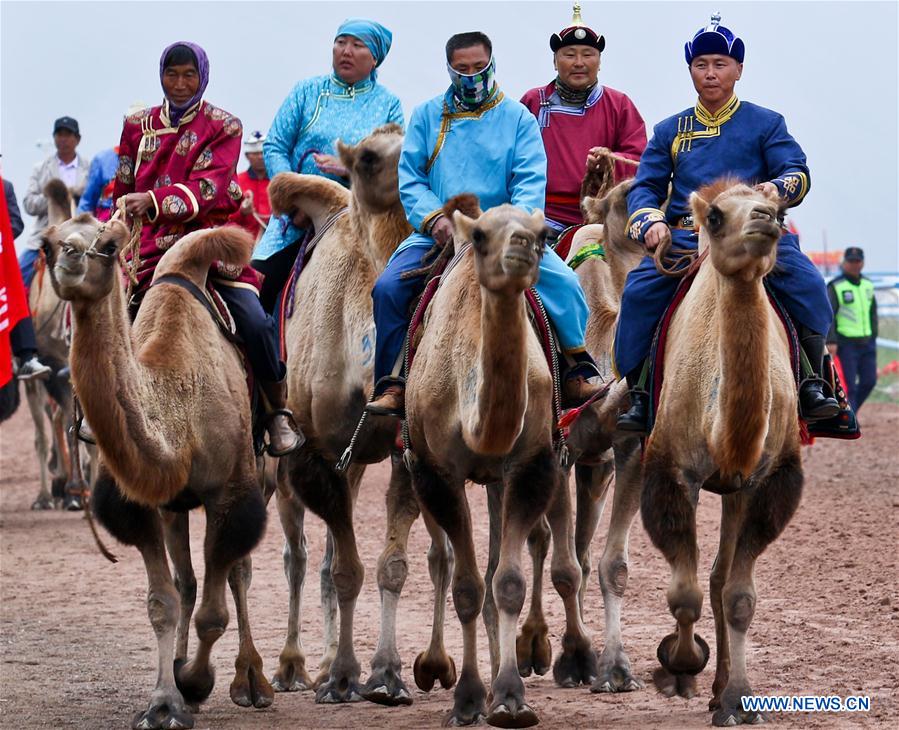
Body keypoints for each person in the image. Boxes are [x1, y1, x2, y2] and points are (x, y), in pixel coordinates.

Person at [615, 14, 840, 432]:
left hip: (754, 235)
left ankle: (812, 382)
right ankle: (640, 391)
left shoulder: (765, 123)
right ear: (691, 71)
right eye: (701, 65)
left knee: (808, 283)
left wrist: (777, 190)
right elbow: (645, 187)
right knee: (640, 291)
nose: (711, 73)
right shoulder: (670, 130)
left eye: (720, 64)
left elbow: (797, 170)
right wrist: (649, 222)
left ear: (738, 69)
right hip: (688, 237)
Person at [365, 31, 603, 417]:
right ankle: (393, 382)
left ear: (492, 65)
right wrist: (437, 220)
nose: (471, 75)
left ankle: (574, 364)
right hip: (439, 233)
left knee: (565, 281)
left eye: (479, 67)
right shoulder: (426, 115)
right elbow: (410, 179)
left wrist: (510, 225)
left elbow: (529, 180)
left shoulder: (518, 119)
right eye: (462, 69)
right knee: (388, 289)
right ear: (449, 69)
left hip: (507, 234)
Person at [109, 41, 300, 455]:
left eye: (188, 75)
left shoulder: (224, 126)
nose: (179, 84)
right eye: (172, 74)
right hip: (149, 250)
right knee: (113, 317)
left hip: (208, 240)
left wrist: (156, 201)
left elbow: (211, 187)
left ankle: (275, 412)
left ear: (202, 77)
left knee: (253, 319)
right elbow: (123, 186)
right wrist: (120, 221)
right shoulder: (135, 125)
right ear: (161, 75)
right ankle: (104, 410)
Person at [256, 18, 404, 311]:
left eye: (357, 45)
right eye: (341, 42)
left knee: (387, 298)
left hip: (357, 220)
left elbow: (393, 165)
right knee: (256, 291)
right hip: (294, 219)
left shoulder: (389, 104)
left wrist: (349, 168)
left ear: (374, 58)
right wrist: (292, 199)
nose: (346, 51)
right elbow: (275, 146)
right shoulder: (306, 91)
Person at [520, 3, 646, 235]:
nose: (579, 62)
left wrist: (607, 162)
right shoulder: (533, 102)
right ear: (555, 61)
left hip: (602, 215)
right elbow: (515, 158)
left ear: (599, 61)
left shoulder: (619, 104)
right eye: (569, 55)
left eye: (588, 55)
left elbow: (639, 161)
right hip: (542, 214)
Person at [19, 116, 90, 288]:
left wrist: (77, 195)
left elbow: (94, 201)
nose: (63, 139)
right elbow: (29, 204)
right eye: (59, 134)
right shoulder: (40, 169)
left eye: (68, 134)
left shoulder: (89, 169)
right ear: (54, 137)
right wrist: (53, 197)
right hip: (44, 239)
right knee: (18, 278)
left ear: (77, 139)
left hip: (82, 238)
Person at [2, 177, 51, 380]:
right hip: (37, 241)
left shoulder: (4, 187)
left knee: (17, 291)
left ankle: (27, 357)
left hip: (62, 235)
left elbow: (15, 223)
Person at [77, 103, 148, 222]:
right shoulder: (102, 160)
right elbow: (87, 202)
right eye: (133, 126)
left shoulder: (159, 159)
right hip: (108, 226)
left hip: (145, 223)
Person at [827, 247, 878, 411]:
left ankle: (851, 414)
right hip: (846, 344)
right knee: (850, 386)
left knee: (869, 381)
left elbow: (873, 313)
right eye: (851, 261)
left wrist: (873, 335)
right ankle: (851, 419)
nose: (855, 265)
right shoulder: (835, 286)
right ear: (844, 262)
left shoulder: (868, 285)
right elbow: (829, 315)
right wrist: (831, 340)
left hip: (867, 343)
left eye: (858, 261)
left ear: (862, 263)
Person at [229, 130, 271, 241]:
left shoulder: (278, 179)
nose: (260, 157)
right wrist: (241, 212)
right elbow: (226, 218)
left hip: (276, 242)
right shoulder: (237, 181)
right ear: (247, 156)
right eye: (256, 153)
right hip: (245, 243)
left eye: (263, 152)